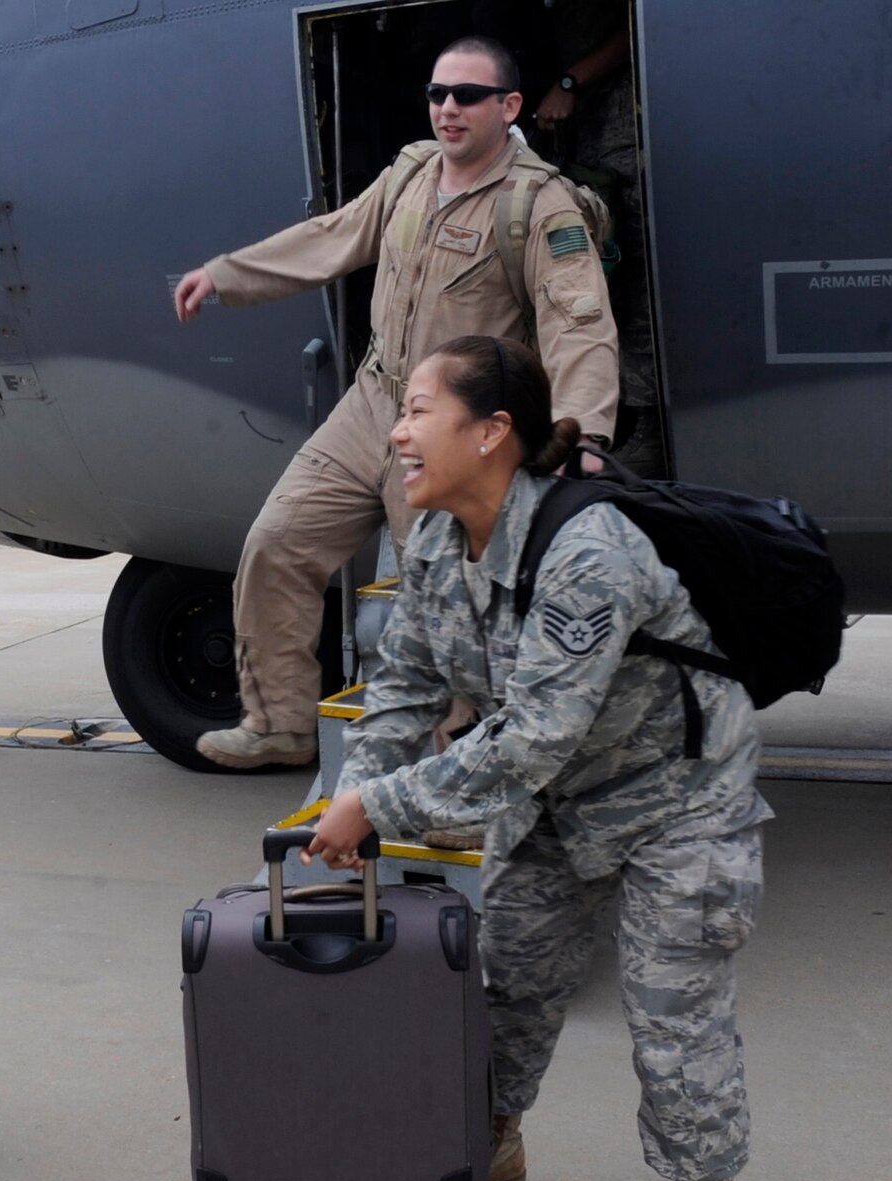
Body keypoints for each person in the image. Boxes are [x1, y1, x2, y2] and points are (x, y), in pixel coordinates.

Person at [305, 335, 765, 1181]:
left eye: (418, 409)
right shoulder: (432, 538)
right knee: (508, 979)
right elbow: (407, 689)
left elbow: (530, 738)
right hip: (557, 800)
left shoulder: (588, 553)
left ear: (491, 431)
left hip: (674, 796)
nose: (396, 430)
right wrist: (348, 797)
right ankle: (491, 1140)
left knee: (668, 1015)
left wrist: (378, 810)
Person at [173, 35, 619, 770]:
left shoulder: (539, 205)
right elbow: (334, 235)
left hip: (458, 426)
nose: (448, 108)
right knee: (277, 542)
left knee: (444, 602)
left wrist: (584, 434)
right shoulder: (411, 173)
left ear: (508, 107)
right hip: (376, 400)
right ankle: (280, 722)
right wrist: (227, 275)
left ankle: (453, 772)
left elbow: (579, 324)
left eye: (468, 96)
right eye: (438, 94)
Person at [528, 0, 661, 475]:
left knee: (638, 285)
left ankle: (649, 428)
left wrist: (570, 83)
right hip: (592, 136)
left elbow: (641, 21)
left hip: (624, 130)